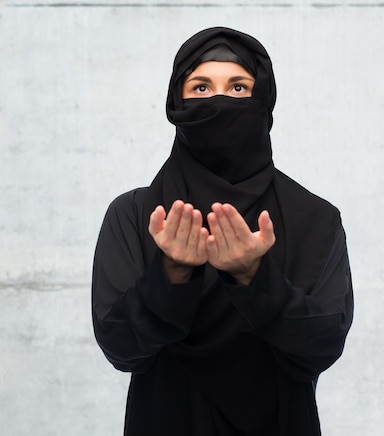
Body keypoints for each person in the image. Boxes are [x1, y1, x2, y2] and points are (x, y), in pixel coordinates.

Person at [92, 27, 354, 436]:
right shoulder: (137, 215)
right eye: (200, 87)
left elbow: (320, 349)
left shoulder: (314, 219)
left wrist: (254, 278)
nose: (218, 101)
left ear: (264, 100)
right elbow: (121, 349)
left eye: (238, 87)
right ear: (176, 103)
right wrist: (172, 274)